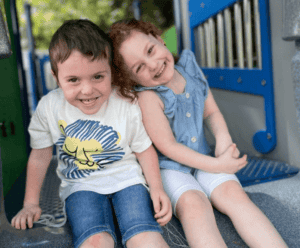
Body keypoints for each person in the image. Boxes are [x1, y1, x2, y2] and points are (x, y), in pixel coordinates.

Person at [108, 18, 288, 248]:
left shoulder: (190, 70)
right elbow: (168, 147)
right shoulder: (148, 98)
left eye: (150, 50)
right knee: (194, 205)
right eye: (139, 67)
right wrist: (217, 166)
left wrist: (223, 141)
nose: (152, 64)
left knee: (234, 195)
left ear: (160, 39)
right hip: (170, 167)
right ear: (131, 80)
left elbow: (211, 111)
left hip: (205, 159)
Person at [11, 19, 172, 248]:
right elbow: (40, 156)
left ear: (111, 72)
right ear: (56, 77)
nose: (87, 90)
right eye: (73, 80)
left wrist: (157, 188)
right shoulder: (49, 108)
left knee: (145, 236)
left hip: (128, 180)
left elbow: (144, 149)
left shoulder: (125, 102)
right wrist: (30, 203)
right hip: (81, 186)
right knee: (95, 240)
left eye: (98, 76)